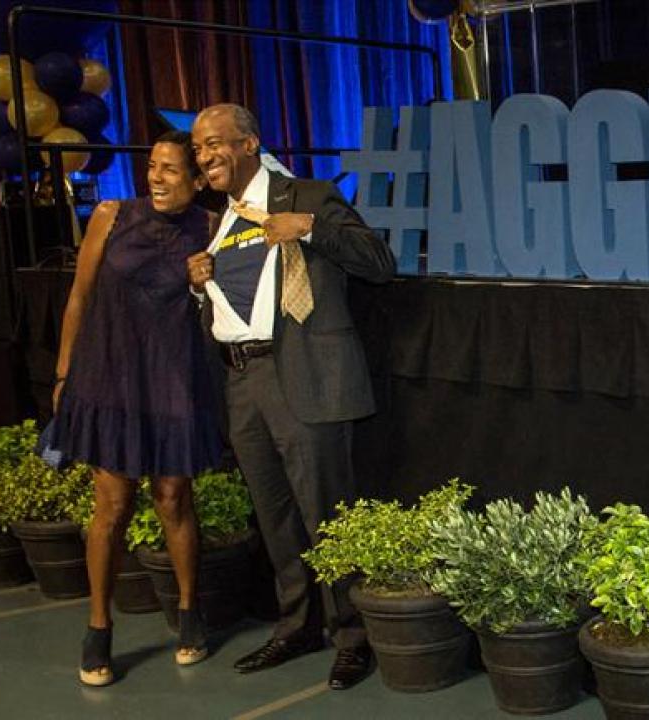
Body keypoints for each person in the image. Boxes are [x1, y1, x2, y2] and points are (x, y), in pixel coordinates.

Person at [186, 104, 395, 687]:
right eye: (199, 149)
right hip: (244, 381)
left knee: (326, 512)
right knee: (276, 517)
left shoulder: (308, 193)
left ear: (249, 143)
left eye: (214, 144)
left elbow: (379, 263)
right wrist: (201, 288)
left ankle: (354, 635)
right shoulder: (222, 219)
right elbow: (237, 307)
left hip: (302, 376)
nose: (204, 157)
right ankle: (297, 627)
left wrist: (307, 228)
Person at [51, 131, 222, 687]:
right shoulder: (110, 214)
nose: (157, 177)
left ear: (196, 181)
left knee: (173, 497)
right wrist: (62, 372)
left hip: (173, 378)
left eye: (172, 170)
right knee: (112, 504)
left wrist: (203, 286)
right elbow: (78, 296)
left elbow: (221, 310)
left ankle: (190, 614)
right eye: (153, 166)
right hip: (111, 377)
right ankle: (98, 627)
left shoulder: (211, 228)